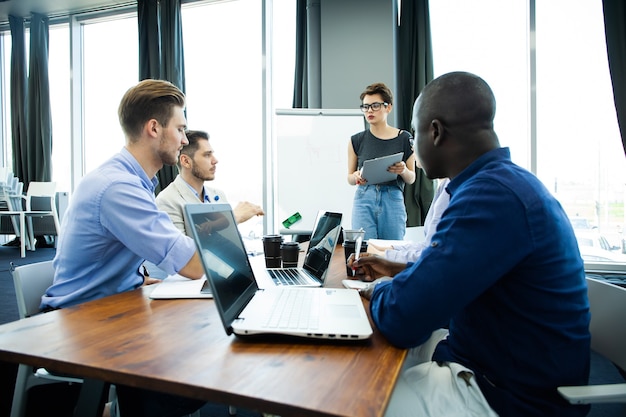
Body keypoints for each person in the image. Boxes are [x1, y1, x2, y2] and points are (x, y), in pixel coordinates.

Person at [349, 72, 591, 417]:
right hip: (487, 358)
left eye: (416, 134)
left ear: (436, 131)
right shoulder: (499, 184)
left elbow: (404, 318)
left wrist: (383, 288)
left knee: (351, 400)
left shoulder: (491, 197)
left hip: (508, 396)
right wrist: (400, 274)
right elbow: (450, 276)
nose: (415, 146)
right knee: (361, 357)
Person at [41, 79, 206, 417]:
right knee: (186, 376)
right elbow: (193, 264)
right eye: (180, 129)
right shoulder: (119, 187)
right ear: (154, 128)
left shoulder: (131, 180)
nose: (185, 140)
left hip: (107, 309)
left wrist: (134, 277)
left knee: (192, 349)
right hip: (79, 324)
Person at [156, 129, 264, 237]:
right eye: (207, 155)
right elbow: (181, 251)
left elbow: (230, 240)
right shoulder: (167, 202)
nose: (215, 160)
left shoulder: (218, 195)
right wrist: (233, 218)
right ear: (186, 161)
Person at [347, 82, 416, 240]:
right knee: (364, 253)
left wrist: (403, 170)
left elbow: (412, 178)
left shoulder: (404, 138)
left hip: (392, 198)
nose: (369, 110)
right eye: (365, 107)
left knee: (392, 252)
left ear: (388, 107)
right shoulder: (356, 140)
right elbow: (349, 178)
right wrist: (356, 176)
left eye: (375, 106)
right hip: (364, 198)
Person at [368, 177, 450, 263]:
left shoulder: (454, 193)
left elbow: (433, 255)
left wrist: (382, 255)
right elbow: (428, 245)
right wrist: (384, 250)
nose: (418, 164)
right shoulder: (445, 186)